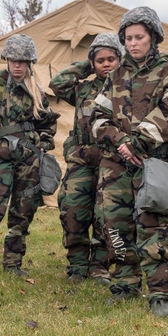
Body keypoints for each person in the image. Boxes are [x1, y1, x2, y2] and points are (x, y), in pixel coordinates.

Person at [91, 7, 168, 317]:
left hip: (151, 161)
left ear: (153, 38)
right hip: (116, 164)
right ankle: (125, 283)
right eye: (128, 38)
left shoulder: (167, 73)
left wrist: (137, 141)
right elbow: (97, 117)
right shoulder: (116, 75)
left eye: (139, 37)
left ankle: (159, 292)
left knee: (153, 227)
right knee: (114, 224)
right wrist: (119, 142)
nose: (133, 44)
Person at [0, 34, 58, 281]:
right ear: (7, 60)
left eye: (23, 61)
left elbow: (48, 121)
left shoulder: (36, 91)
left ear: (30, 63)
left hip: (29, 162)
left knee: (23, 212)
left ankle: (13, 264)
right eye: (13, 60)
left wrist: (43, 145)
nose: (17, 65)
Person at [49, 32, 123, 284]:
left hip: (112, 162)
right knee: (72, 210)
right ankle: (78, 265)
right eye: (100, 60)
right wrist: (85, 65)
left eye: (111, 58)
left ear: (119, 60)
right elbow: (57, 83)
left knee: (107, 215)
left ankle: (100, 266)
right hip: (81, 159)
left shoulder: (126, 89)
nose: (106, 64)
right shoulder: (83, 89)